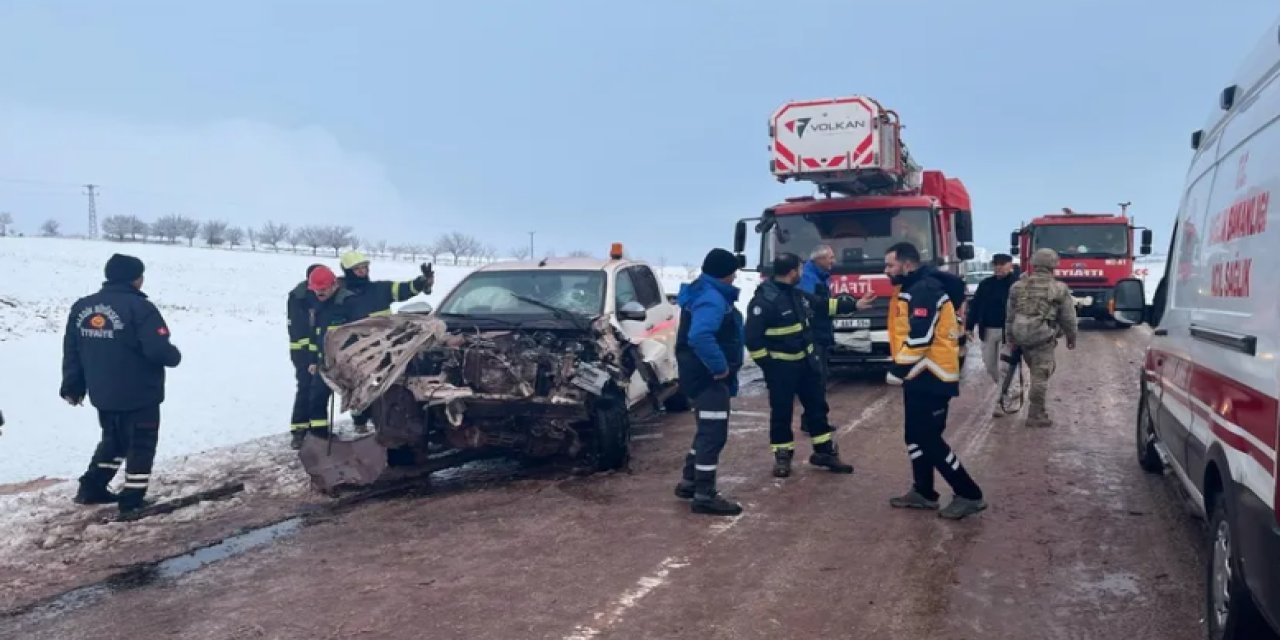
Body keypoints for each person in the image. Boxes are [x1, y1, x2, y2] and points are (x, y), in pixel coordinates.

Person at [60, 254, 182, 516]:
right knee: (140, 444)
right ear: (135, 278)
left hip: (103, 392)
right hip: (139, 393)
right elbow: (158, 350)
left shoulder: (82, 307)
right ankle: (132, 501)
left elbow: (72, 349)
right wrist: (174, 356)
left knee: (114, 441)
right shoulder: (140, 308)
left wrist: (72, 385)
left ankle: (92, 487)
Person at [882, 242, 986, 520]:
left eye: (890, 265)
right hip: (920, 375)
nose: (886, 271)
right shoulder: (912, 287)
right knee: (914, 436)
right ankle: (924, 492)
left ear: (906, 265)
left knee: (928, 439)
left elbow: (920, 337)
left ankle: (969, 494)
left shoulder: (924, 289)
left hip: (933, 375)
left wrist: (898, 369)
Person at [745, 253, 855, 479]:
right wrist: (770, 366)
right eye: (800, 269)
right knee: (782, 413)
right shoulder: (764, 301)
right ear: (792, 272)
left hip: (806, 365)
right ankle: (782, 456)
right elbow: (753, 340)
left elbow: (823, 305)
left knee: (817, 408)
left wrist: (854, 304)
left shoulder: (796, 294)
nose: (802, 273)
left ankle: (824, 452)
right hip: (782, 370)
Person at [673, 249, 746, 516]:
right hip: (707, 378)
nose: (735, 276)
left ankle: (689, 482)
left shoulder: (702, 291)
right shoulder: (712, 299)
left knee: (706, 429)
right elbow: (700, 336)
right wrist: (720, 367)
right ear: (725, 273)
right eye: (733, 272)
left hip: (696, 375)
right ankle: (704, 495)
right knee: (713, 434)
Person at [338, 251, 435, 430]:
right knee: (358, 387)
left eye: (365, 268)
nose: (363, 272)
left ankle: (382, 420)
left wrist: (422, 282)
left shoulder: (380, 289)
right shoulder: (340, 296)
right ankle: (359, 422)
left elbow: (405, 289)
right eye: (358, 269)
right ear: (348, 271)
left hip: (384, 348)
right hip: (356, 351)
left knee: (385, 385)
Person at [1005, 248, 1078, 428]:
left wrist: (1011, 338)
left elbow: (1010, 315)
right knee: (1041, 376)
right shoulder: (1058, 288)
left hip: (1021, 336)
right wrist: (1071, 337)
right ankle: (1035, 414)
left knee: (1037, 370)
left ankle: (1038, 409)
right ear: (1053, 265)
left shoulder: (1018, 286)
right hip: (1042, 338)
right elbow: (1068, 317)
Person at [797, 245, 873, 379]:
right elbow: (817, 304)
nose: (834, 261)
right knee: (816, 377)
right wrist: (854, 305)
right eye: (831, 258)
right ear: (819, 259)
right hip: (813, 334)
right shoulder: (808, 278)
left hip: (820, 332)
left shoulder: (821, 275)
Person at [303, 265, 355, 440]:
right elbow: (315, 335)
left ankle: (374, 430)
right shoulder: (317, 305)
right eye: (316, 290)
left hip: (348, 363)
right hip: (323, 363)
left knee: (362, 399)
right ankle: (319, 436)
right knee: (316, 399)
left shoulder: (349, 303)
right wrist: (312, 360)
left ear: (334, 285)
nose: (319, 293)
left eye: (323, 289)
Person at [965, 254, 1020, 416]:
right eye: (996, 264)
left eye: (1002, 264)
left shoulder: (1017, 285)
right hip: (987, 330)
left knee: (1004, 368)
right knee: (990, 366)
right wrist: (968, 326)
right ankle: (1011, 389)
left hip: (1009, 333)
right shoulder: (986, 284)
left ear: (1010, 265)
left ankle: (1000, 402)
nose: (999, 267)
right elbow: (975, 306)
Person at [287, 264, 324, 449]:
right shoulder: (299, 297)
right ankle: (299, 431)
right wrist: (309, 357)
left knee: (320, 390)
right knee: (305, 387)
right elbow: (299, 329)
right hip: (302, 352)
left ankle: (317, 430)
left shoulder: (324, 293)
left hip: (319, 350)